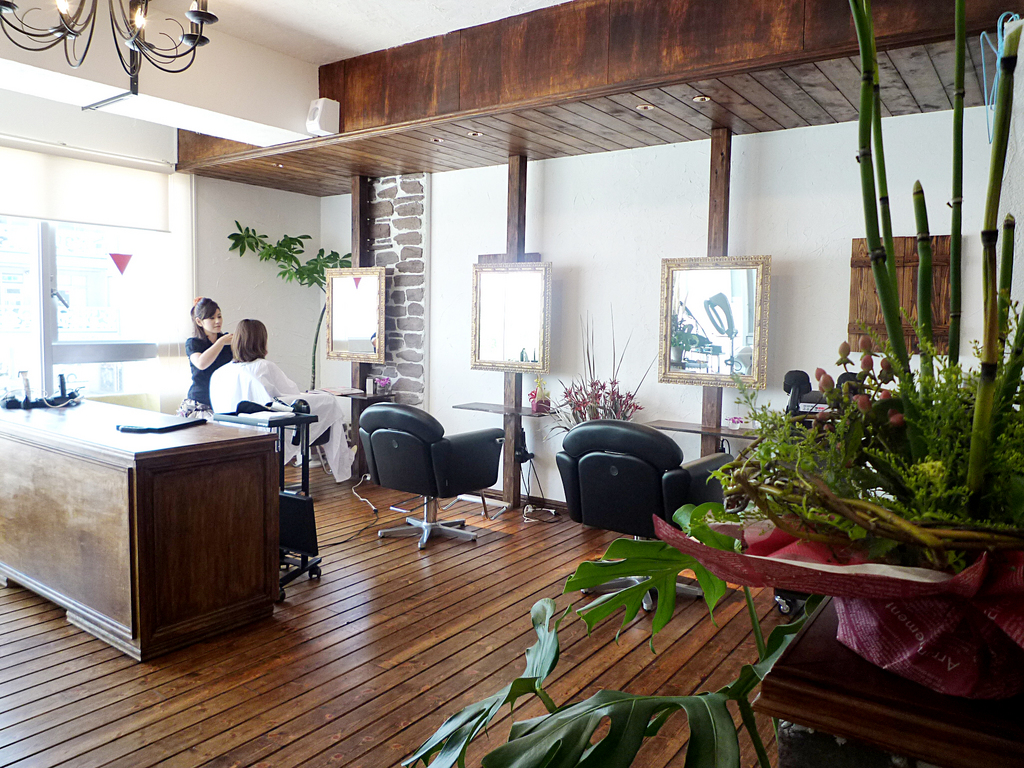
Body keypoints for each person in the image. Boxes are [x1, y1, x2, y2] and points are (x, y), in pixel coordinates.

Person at [209, 319, 355, 483]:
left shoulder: (220, 373)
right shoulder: (263, 366)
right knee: (329, 402)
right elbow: (290, 394)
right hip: (267, 431)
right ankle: (344, 464)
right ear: (261, 342)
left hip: (234, 434)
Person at [177, 297, 234, 419]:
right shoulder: (193, 343)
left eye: (219, 316)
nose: (217, 321)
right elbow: (201, 363)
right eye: (211, 318)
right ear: (199, 322)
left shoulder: (228, 342)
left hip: (223, 402)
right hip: (199, 403)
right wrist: (221, 342)